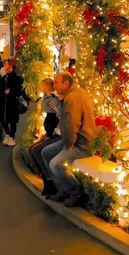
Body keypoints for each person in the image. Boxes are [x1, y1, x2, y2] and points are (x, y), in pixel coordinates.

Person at [41, 71, 96, 207]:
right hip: (75, 139)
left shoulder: (72, 98)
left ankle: (76, 192)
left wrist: (68, 145)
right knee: (45, 153)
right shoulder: (75, 93)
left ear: (66, 83)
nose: (54, 86)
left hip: (81, 144)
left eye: (57, 83)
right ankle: (62, 189)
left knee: (56, 163)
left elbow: (72, 124)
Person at [29, 78, 61, 197]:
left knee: (38, 150)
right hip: (52, 132)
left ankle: (49, 180)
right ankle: (45, 178)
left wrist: (50, 134)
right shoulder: (50, 98)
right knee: (33, 149)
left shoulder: (53, 99)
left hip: (55, 134)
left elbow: (55, 118)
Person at [2, 60, 23, 146]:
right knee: (4, 120)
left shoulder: (17, 77)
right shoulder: (5, 77)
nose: (5, 66)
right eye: (5, 65)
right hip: (4, 102)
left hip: (13, 102)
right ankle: (8, 135)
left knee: (12, 121)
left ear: (11, 66)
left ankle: (12, 136)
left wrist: (10, 91)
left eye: (7, 65)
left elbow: (19, 90)